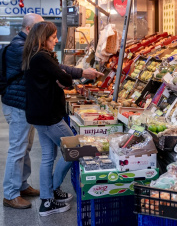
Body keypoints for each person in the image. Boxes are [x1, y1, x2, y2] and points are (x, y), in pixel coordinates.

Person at [22, 21, 103, 216]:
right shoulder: (42, 57)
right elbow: (65, 79)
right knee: (75, 149)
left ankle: (48, 198)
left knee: (49, 156)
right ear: (43, 39)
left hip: (39, 114)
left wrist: (60, 77)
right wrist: (62, 79)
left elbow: (60, 74)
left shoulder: (33, 55)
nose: (56, 40)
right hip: (49, 116)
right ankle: (49, 195)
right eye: (53, 37)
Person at [1, 13, 44, 209]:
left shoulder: (26, 45)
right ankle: (10, 194)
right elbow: (42, 67)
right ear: (28, 30)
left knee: (25, 147)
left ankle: (22, 185)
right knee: (17, 149)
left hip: (25, 105)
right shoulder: (19, 48)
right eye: (40, 29)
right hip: (17, 106)